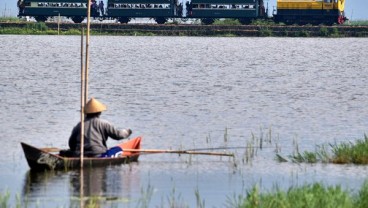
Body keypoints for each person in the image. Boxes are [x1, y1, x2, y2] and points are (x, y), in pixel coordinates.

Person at [68, 98, 132, 157]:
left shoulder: (79, 125)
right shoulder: (104, 123)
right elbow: (117, 135)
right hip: (98, 153)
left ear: (86, 113)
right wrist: (127, 132)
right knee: (118, 149)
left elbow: (71, 143)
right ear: (99, 112)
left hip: (81, 154)